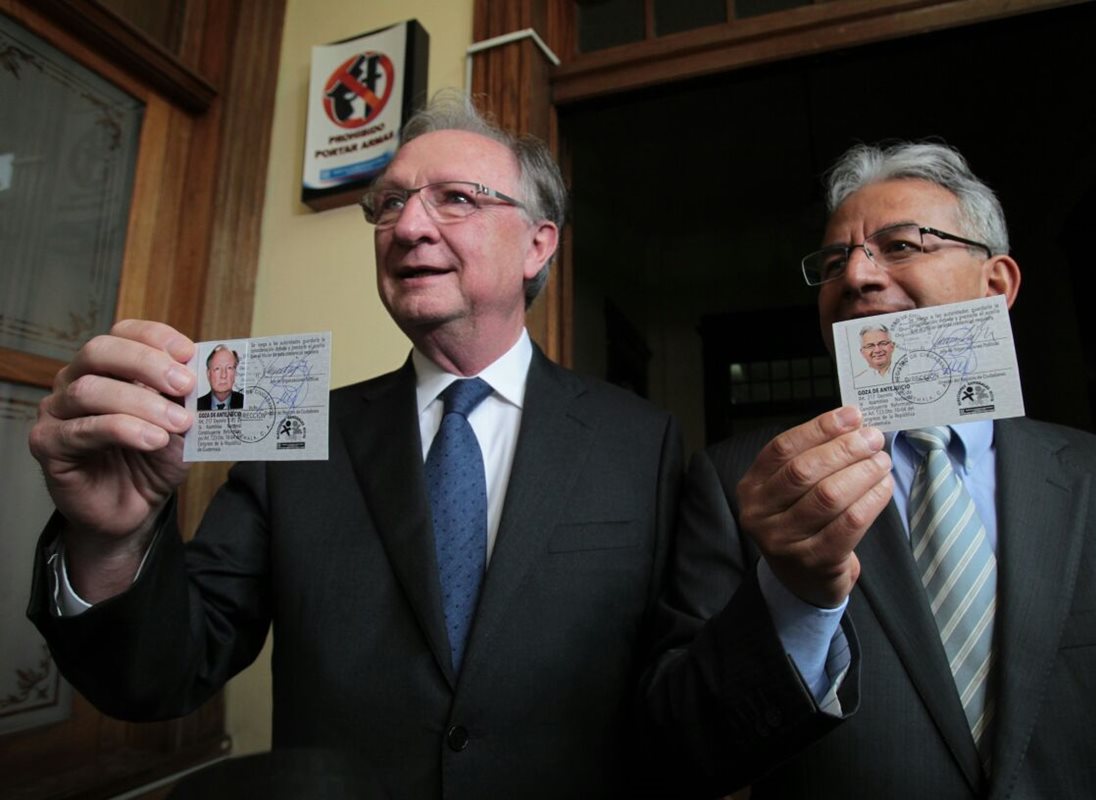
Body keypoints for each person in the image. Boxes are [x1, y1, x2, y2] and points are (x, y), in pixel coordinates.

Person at [29, 94, 711, 798]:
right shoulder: (290, 435)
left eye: (455, 199)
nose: (407, 226)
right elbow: (163, 673)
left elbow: (679, 697)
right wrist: (111, 542)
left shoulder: (640, 441)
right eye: (388, 204)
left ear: (538, 243)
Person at [652, 141, 1096, 798]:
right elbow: (682, 750)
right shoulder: (737, 481)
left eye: (903, 245)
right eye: (834, 261)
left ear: (995, 285)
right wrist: (792, 597)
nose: (855, 276)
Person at [195, 344, 244, 410]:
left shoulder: (245, 402)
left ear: (235, 373)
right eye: (217, 368)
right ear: (208, 374)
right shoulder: (196, 405)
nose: (223, 375)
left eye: (229, 368)